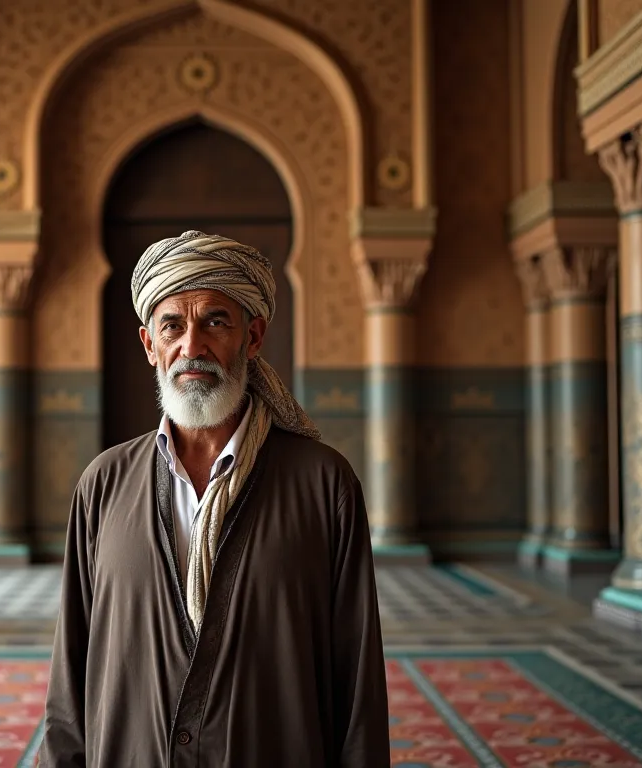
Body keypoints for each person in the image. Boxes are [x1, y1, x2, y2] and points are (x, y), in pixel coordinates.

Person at [41, 230, 389, 767]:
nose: (192, 346)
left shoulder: (323, 484)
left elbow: (358, 681)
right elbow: (70, 682)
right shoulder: (104, 484)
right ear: (149, 343)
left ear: (253, 337)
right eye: (173, 326)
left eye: (215, 322)